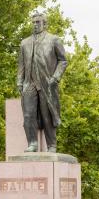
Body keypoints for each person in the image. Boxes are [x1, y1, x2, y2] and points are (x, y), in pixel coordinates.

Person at [17, 12, 68, 153]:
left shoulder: (54, 40)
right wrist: (19, 82)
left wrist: (56, 78)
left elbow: (63, 61)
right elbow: (21, 65)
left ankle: (51, 145)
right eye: (33, 22)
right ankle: (32, 143)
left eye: (38, 22)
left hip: (47, 83)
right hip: (29, 83)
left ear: (44, 24)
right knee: (28, 115)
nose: (35, 25)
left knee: (47, 115)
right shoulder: (24, 43)